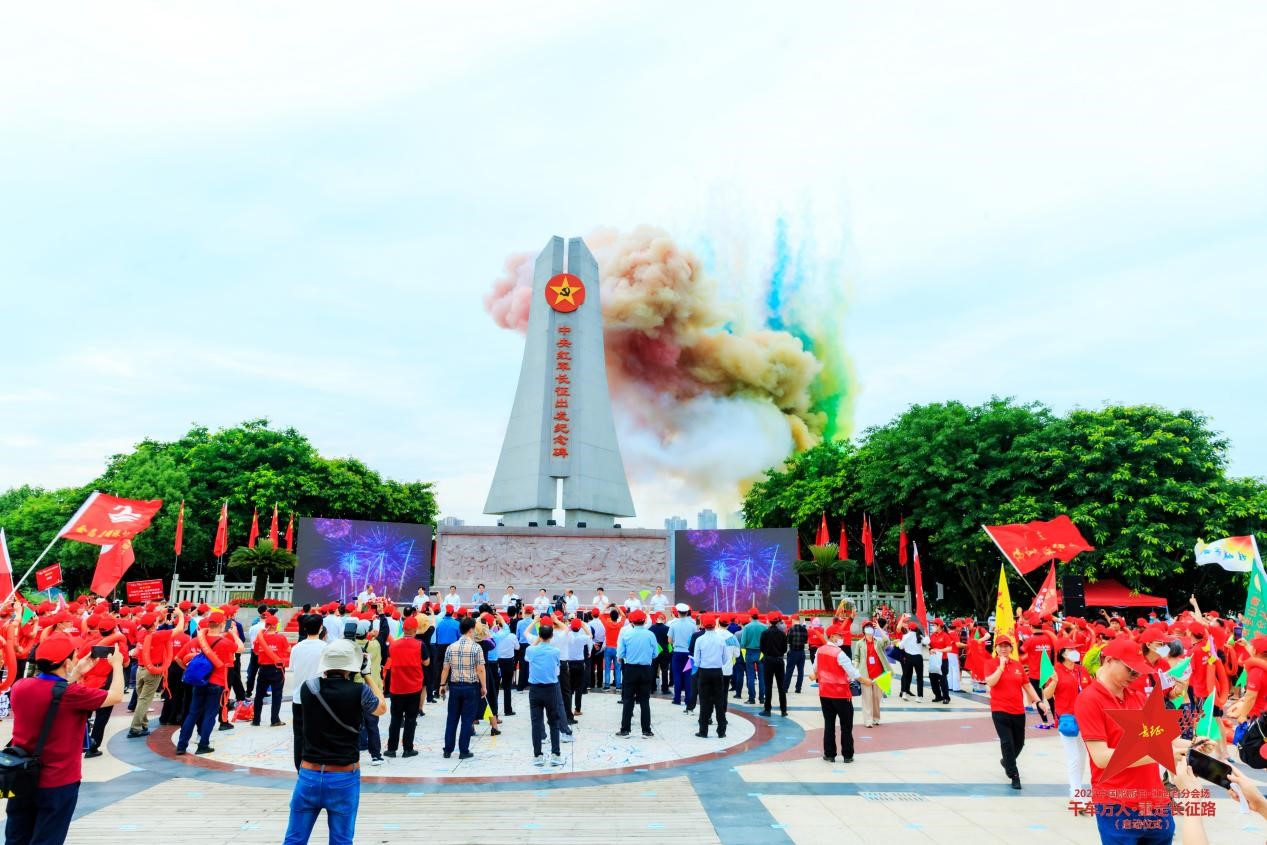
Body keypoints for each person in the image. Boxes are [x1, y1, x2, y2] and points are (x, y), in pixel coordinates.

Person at [5, 636, 124, 844]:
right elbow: (115, 696)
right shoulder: (73, 694)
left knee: (16, 837)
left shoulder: (20, 687)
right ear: (66, 662)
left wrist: (77, 671)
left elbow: (51, 692)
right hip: (58, 781)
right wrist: (117, 665)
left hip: (21, 777)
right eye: (74, 655)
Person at [1075, 637, 1184, 842]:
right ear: (1109, 661)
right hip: (1117, 804)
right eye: (1130, 670)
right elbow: (1101, 757)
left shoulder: (1139, 698)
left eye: (1138, 672)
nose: (1135, 676)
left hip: (1155, 802)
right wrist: (1157, 753)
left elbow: (1167, 738)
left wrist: (1195, 745)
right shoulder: (1090, 699)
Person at [282, 639, 387, 845]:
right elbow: (381, 708)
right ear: (352, 666)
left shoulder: (308, 688)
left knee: (294, 840)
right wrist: (367, 675)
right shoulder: (359, 691)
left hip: (309, 774)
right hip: (343, 776)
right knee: (341, 840)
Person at [984, 637, 1048, 789]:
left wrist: (1038, 701)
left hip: (1018, 710)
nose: (1004, 649)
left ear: (1011, 649)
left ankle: (1006, 761)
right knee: (1007, 742)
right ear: (996, 648)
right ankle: (1014, 774)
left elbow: (1027, 686)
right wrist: (1000, 666)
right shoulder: (990, 663)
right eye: (1001, 646)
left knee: (1019, 743)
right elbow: (991, 682)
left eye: (1007, 646)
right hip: (999, 710)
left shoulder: (1018, 665)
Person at [175, 611, 240, 755]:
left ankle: (181, 745)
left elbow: (178, 658)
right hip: (216, 683)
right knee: (210, 715)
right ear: (222, 624)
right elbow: (240, 648)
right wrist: (234, 633)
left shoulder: (194, 641)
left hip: (198, 682)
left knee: (192, 713)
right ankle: (203, 744)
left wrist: (189, 669)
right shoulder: (224, 642)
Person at [1041, 637, 1092, 801]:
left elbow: (1090, 690)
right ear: (1062, 653)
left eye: (1076, 649)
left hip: (1085, 718)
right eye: (1071, 649)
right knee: (1074, 757)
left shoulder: (1081, 670)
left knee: (1082, 757)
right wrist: (1054, 682)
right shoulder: (1055, 670)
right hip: (1067, 719)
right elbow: (1047, 695)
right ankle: (1076, 795)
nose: (1075, 652)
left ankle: (1077, 790)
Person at [810, 624, 862, 762]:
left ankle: (829, 754)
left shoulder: (820, 651)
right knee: (846, 726)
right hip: (841, 694)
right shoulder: (840, 653)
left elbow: (815, 669)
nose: (842, 638)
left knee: (829, 724)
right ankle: (847, 755)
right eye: (840, 636)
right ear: (832, 636)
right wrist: (865, 680)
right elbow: (852, 673)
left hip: (825, 693)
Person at [439, 616, 486, 759]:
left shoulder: (450, 647)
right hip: (471, 687)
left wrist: (442, 685)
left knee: (452, 718)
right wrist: (483, 686)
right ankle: (463, 750)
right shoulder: (476, 647)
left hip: (454, 687)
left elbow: (445, 668)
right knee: (467, 719)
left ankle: (448, 749)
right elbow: (480, 669)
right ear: (471, 630)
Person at [288, 614, 327, 771]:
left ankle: (300, 767)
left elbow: (292, 668)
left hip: (298, 697)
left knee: (299, 735)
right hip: (319, 697)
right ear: (320, 628)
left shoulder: (297, 647)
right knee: (318, 733)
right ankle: (317, 765)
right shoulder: (325, 647)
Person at [524, 619, 565, 766]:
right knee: (554, 722)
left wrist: (537, 640)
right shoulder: (555, 651)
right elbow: (557, 665)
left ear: (540, 636)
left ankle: (537, 755)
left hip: (535, 690)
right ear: (551, 636)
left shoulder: (531, 650)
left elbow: (527, 657)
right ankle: (555, 753)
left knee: (536, 723)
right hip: (550, 689)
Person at [615, 609, 657, 737]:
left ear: (631, 621)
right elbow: (655, 653)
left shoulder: (626, 634)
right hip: (646, 670)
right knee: (645, 701)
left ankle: (625, 730)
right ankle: (646, 730)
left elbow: (620, 654)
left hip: (630, 669)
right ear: (644, 621)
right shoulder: (650, 635)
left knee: (628, 700)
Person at [692, 613, 731, 738]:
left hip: (704, 672)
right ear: (715, 625)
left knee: (704, 702)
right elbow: (726, 659)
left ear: (703, 625)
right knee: (719, 701)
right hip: (717, 672)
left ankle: (703, 731)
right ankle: (721, 731)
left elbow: (696, 661)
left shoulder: (700, 640)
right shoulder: (721, 640)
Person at [852, 621, 894, 728]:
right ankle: (868, 720)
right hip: (865, 674)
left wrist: (879, 628)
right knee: (867, 698)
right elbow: (856, 657)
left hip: (878, 675)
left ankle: (876, 718)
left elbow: (887, 641)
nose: (869, 629)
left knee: (876, 697)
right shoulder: (859, 643)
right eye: (867, 627)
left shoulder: (878, 642)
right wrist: (855, 668)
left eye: (871, 627)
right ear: (864, 630)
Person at [252, 613, 291, 727]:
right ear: (274, 626)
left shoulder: (259, 638)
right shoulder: (281, 637)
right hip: (277, 669)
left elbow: (256, 652)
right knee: (277, 694)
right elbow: (288, 650)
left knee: (259, 695)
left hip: (263, 669)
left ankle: (256, 720)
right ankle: (274, 720)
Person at [760, 612, 789, 717]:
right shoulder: (782, 634)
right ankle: (783, 710)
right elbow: (785, 649)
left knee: (768, 686)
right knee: (781, 686)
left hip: (768, 661)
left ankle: (767, 709)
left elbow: (762, 648)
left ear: (769, 621)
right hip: (779, 660)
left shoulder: (765, 633)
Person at [668, 605, 696, 705]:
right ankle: (688, 700)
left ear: (678, 612)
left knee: (677, 676)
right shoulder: (692, 625)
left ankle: (677, 699)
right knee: (688, 676)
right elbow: (694, 640)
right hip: (689, 654)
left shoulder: (673, 624)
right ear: (687, 612)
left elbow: (669, 640)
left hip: (677, 653)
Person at [739, 610, 768, 705]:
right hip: (761, 652)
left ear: (750, 617)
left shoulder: (747, 627)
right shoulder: (764, 627)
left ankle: (751, 698)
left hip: (750, 652)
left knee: (750, 676)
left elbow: (743, 643)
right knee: (762, 677)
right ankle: (762, 698)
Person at [928, 619, 955, 704]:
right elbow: (929, 645)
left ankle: (946, 697)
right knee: (933, 679)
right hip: (933, 660)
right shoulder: (932, 635)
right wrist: (930, 649)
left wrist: (939, 650)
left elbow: (950, 648)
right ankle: (938, 696)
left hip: (943, 661)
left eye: (934, 625)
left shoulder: (945, 635)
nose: (933, 626)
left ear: (939, 626)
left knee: (943, 680)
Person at [898, 623, 925, 700]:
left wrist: (898, 643)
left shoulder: (905, 636)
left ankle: (904, 693)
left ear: (909, 629)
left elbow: (901, 646)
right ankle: (919, 696)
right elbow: (927, 642)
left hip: (908, 657)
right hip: (918, 658)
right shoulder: (919, 636)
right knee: (919, 678)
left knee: (906, 676)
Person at [786, 615, 808, 694]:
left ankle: (785, 688)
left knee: (789, 671)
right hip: (801, 652)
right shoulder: (804, 629)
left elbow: (788, 641)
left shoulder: (791, 629)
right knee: (800, 671)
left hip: (793, 651)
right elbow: (805, 641)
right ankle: (798, 689)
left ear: (794, 620)